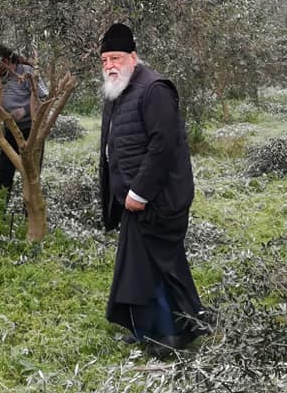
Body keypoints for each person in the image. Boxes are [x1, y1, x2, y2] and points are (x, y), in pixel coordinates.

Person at [97, 23, 210, 357]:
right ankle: (147, 330)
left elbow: (163, 147)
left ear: (133, 56)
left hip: (159, 202)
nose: (109, 65)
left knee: (160, 270)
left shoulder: (154, 89)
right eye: (104, 60)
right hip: (134, 201)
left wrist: (139, 193)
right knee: (138, 270)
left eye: (115, 57)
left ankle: (170, 336)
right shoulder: (118, 90)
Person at [0, 44, 48, 198]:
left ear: (6, 61)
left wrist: (26, 110)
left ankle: (30, 215)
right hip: (11, 129)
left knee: (31, 175)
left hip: (32, 131)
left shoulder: (26, 72)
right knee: (3, 172)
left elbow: (43, 97)